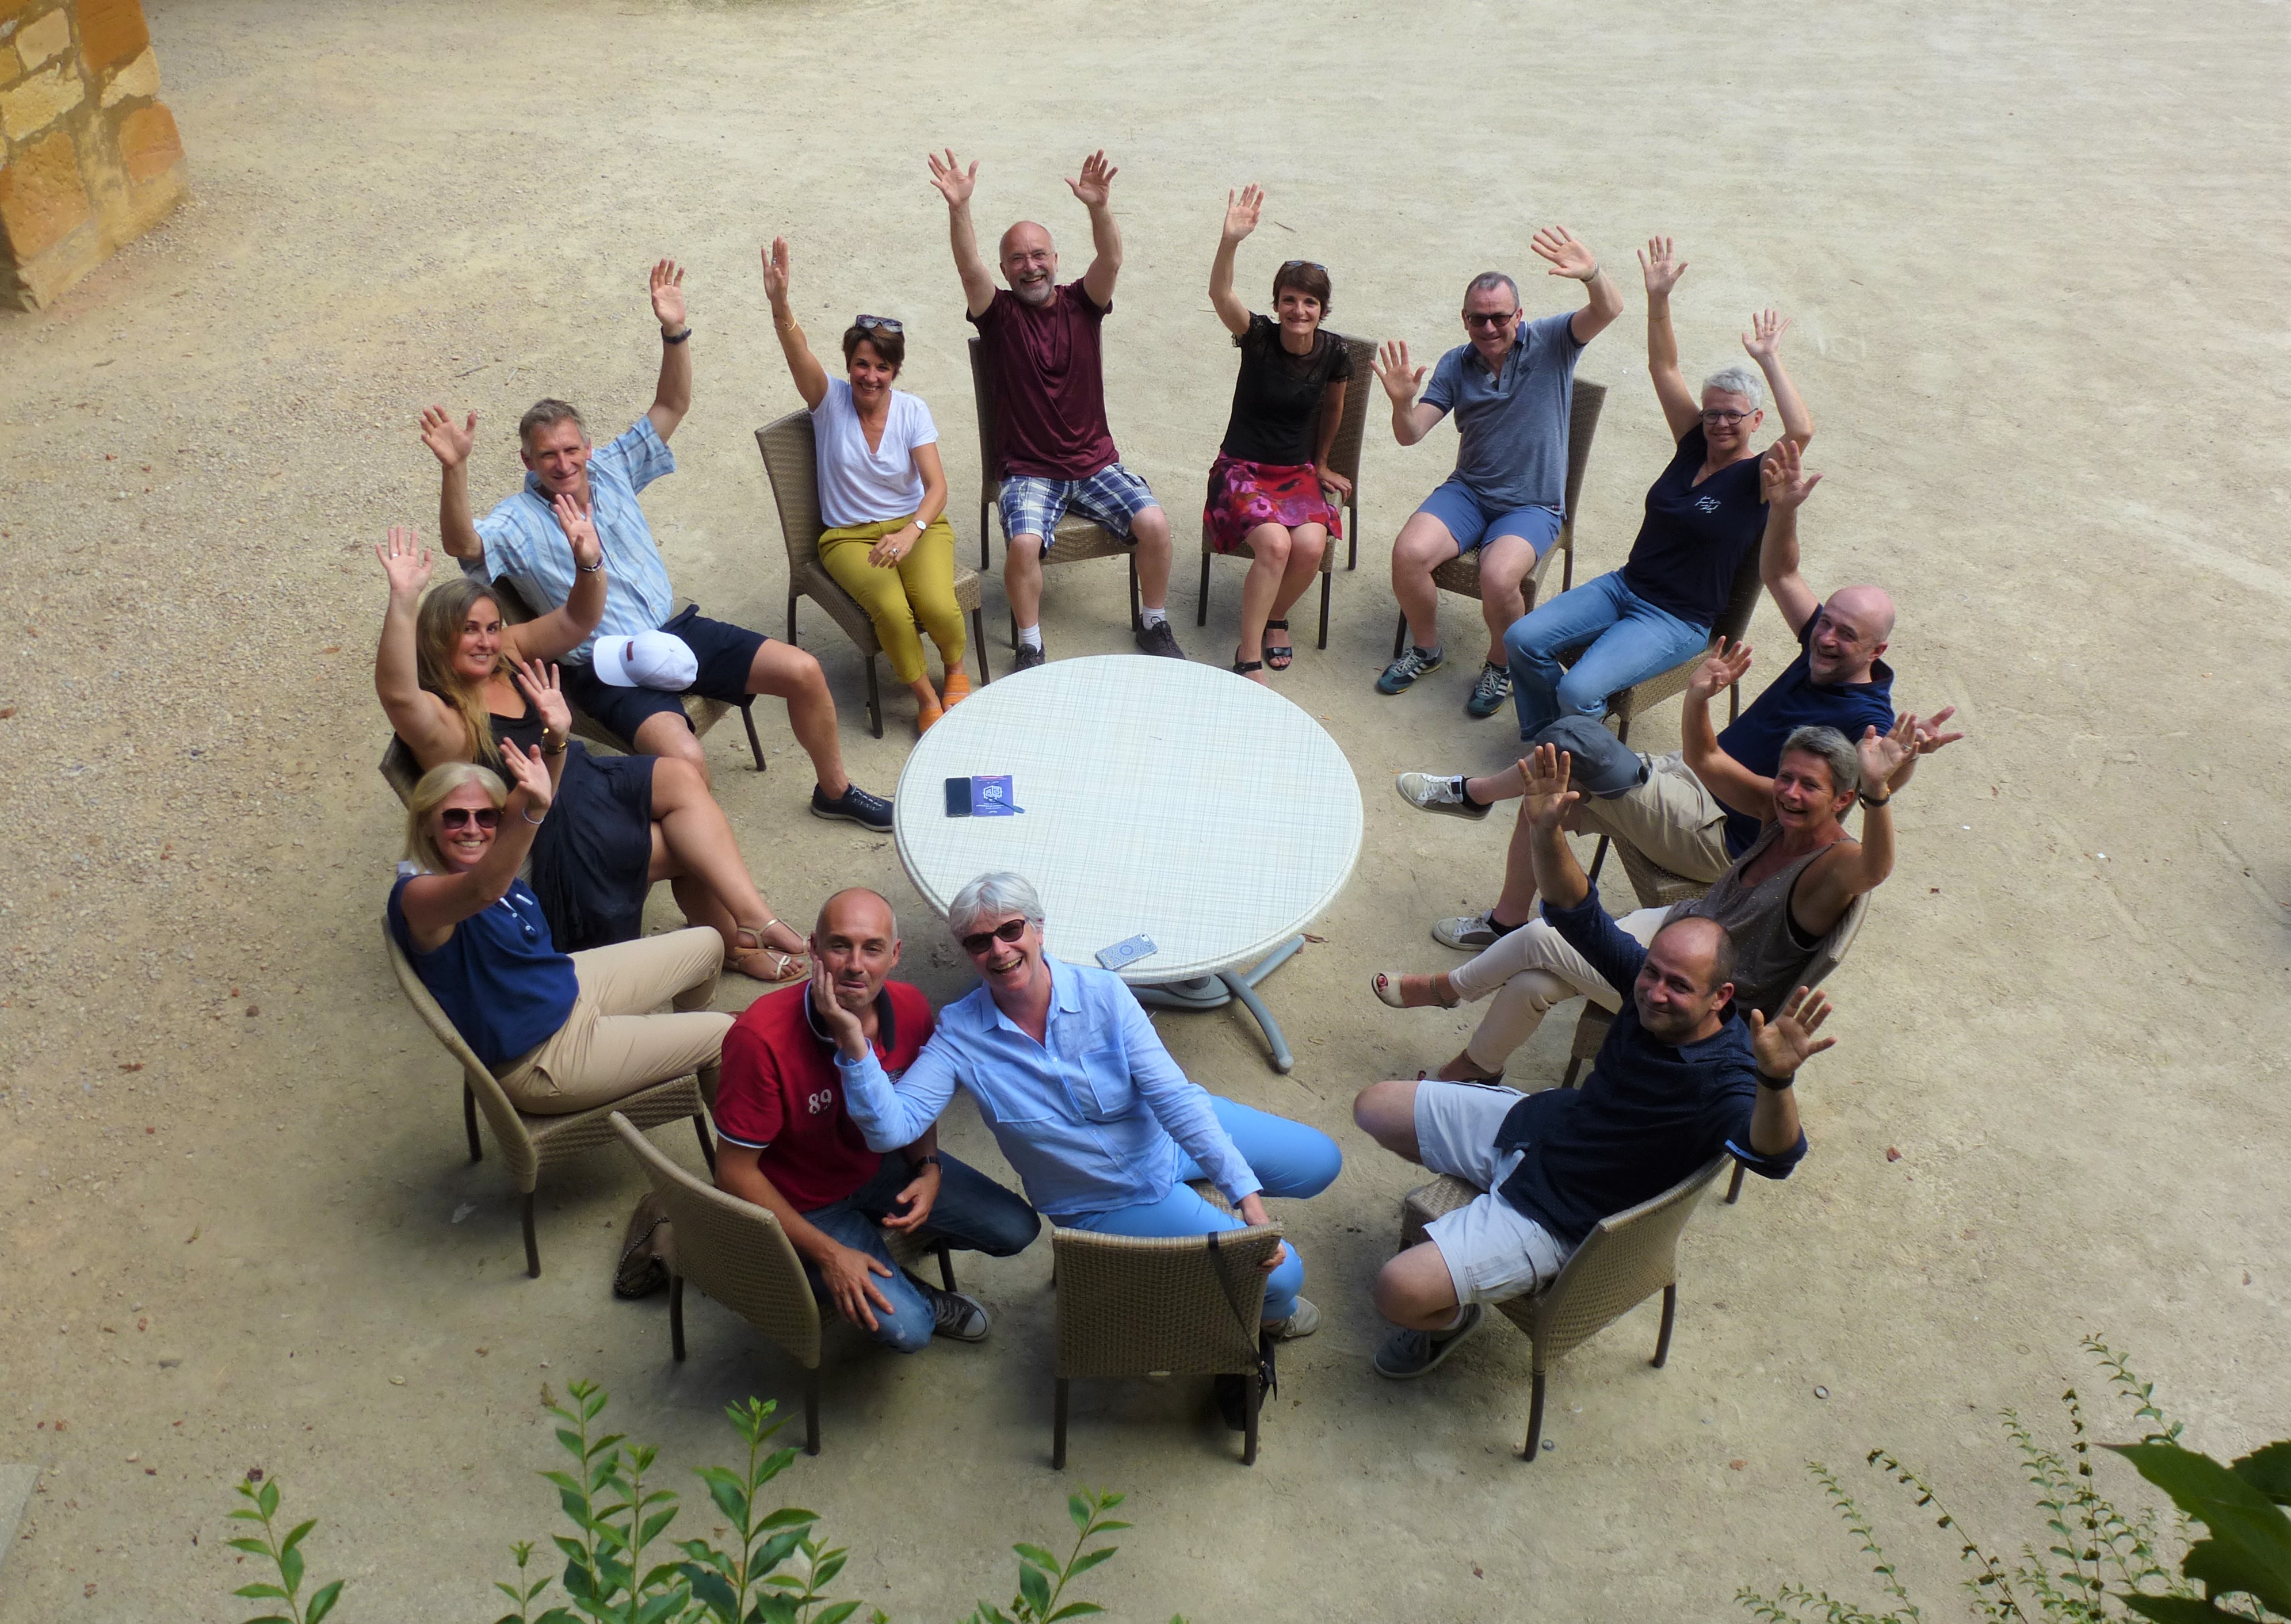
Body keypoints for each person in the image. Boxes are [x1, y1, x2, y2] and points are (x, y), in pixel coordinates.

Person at [1393, 442, 1964, 947]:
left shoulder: (1866, 715)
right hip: (1686, 779)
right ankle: (1505, 922)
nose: (1826, 636)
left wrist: (1905, 762)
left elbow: (1872, 784)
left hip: (1719, 830)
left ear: (1876, 651)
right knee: (1546, 792)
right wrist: (1785, 509)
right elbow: (1781, 572)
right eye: (1827, 622)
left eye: (1846, 634)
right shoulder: (1820, 645)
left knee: (1574, 741)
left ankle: (1474, 794)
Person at [831, 872, 1342, 1428]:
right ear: (967, 951)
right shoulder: (959, 1034)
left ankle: (1213, 1249)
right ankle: (1267, 1322)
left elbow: (1174, 1100)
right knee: (1283, 1278)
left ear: (1039, 928)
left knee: (1322, 1162)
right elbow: (891, 1128)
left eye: (1011, 929)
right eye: (979, 941)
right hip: (1110, 1197)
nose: (999, 950)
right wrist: (854, 1045)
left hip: (1165, 1137)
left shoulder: (1103, 993)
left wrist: (1247, 1197)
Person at [1351, 797, 1831, 1378]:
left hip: (1560, 1217)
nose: (1655, 992)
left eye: (1679, 986)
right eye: (1652, 972)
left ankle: (1452, 1317)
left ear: (1720, 997)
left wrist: (1776, 1079)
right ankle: (1474, 1230)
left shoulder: (1724, 1080)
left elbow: (1777, 1157)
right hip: (1540, 1130)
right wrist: (1547, 829)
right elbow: (1578, 913)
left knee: (1396, 1290)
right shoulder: (1645, 986)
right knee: (1373, 1107)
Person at [422, 258, 891, 830]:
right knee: (686, 760)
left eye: (571, 450)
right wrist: (454, 469)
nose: (563, 464)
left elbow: (671, 405)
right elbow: (463, 542)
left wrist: (674, 331)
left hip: (670, 631)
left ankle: (834, 791)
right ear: (528, 460)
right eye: (548, 456)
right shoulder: (517, 520)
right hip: (604, 666)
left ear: (587, 447)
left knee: (804, 670)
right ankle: (698, 851)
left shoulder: (613, 466)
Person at [375, 525, 811, 979]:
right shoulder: (444, 722)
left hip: (586, 779)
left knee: (682, 776)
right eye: (469, 631)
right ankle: (737, 945)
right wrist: (403, 600)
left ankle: (753, 917)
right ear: (438, 637)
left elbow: (577, 620)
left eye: (491, 627)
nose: (486, 642)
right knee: (689, 848)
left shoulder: (506, 654)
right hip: (551, 829)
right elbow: (399, 695)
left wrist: (589, 563)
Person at [1373, 717, 1910, 1084]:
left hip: (1700, 995)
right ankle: (1477, 1070)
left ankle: (1447, 989)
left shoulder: (1834, 864)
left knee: (1541, 935)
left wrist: (1879, 790)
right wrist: (1700, 694)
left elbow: (1876, 869)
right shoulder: (1778, 814)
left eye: (1809, 786)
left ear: (1843, 799)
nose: (1790, 792)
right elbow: (1705, 757)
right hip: (1682, 928)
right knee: (1532, 983)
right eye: (1786, 777)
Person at [1497, 236, 1813, 742]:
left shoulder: (1760, 476)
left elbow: (1801, 431)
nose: (1720, 423)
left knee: (1578, 690)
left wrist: (1770, 359)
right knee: (1521, 638)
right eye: (1712, 412)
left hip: (1675, 620)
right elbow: (1663, 367)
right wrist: (1658, 297)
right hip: (1623, 586)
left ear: (1757, 420)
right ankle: (1549, 739)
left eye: (1734, 415)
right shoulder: (1692, 443)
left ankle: (1575, 746)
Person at [711, 889, 1041, 1351]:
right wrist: (830, 1254)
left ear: (895, 954)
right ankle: (895, 1283)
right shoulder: (760, 1037)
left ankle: (877, 1255)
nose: (855, 965)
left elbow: (915, 1102)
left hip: (882, 1167)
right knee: (913, 1329)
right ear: (813, 948)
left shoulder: (910, 1006)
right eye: (839, 945)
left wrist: (929, 1167)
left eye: (872, 948)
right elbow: (733, 1171)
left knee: (1017, 1229)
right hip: (804, 1202)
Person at [927, 148, 1183, 669]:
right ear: (1005, 269)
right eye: (1018, 260)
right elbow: (968, 267)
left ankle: (1154, 622)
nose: (1031, 267)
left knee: (1155, 524)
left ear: (1056, 260)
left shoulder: (1083, 304)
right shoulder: (998, 315)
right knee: (1023, 545)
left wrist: (1099, 208)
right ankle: (1030, 642)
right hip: (1030, 471)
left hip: (1096, 465)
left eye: (1039, 255)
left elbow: (1111, 260)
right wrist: (959, 208)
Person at [388, 752, 732, 1115]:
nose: (473, 829)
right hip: (544, 1057)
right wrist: (535, 814)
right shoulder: (420, 898)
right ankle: (736, 1137)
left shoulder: (490, 857)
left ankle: (685, 1057)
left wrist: (556, 741)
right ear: (426, 824)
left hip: (562, 988)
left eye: (486, 816)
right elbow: (482, 890)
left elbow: (533, 798)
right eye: (455, 817)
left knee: (709, 943)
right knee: (726, 1035)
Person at [1372, 230, 1622, 711]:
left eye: (1500, 317)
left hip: (1532, 505)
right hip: (1469, 492)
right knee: (1408, 553)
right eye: (1478, 318)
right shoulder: (1455, 364)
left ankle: (1500, 664)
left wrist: (1592, 274)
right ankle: (1427, 649)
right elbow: (1410, 433)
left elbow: (1609, 309)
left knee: (1498, 576)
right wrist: (1402, 404)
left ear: (1519, 316)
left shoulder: (1553, 341)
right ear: (1465, 319)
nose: (1489, 327)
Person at [761, 238, 970, 736]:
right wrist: (781, 305)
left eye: (882, 367)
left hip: (917, 526)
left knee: (937, 604)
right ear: (848, 364)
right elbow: (797, 350)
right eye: (861, 364)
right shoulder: (828, 399)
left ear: (895, 371)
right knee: (893, 611)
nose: (870, 376)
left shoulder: (912, 410)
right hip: (848, 538)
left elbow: (937, 487)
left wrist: (912, 532)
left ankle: (956, 671)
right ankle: (925, 697)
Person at [1203, 184, 1351, 682]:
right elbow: (1220, 295)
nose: (1299, 310)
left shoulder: (1334, 352)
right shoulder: (1258, 337)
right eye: (1290, 300)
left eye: (1310, 302)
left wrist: (1322, 462)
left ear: (1322, 310)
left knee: (1309, 546)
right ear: (1277, 302)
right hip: (1240, 469)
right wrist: (1230, 241)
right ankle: (1247, 655)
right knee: (1275, 546)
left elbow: (1334, 409)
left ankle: (1275, 617)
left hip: (1295, 472)